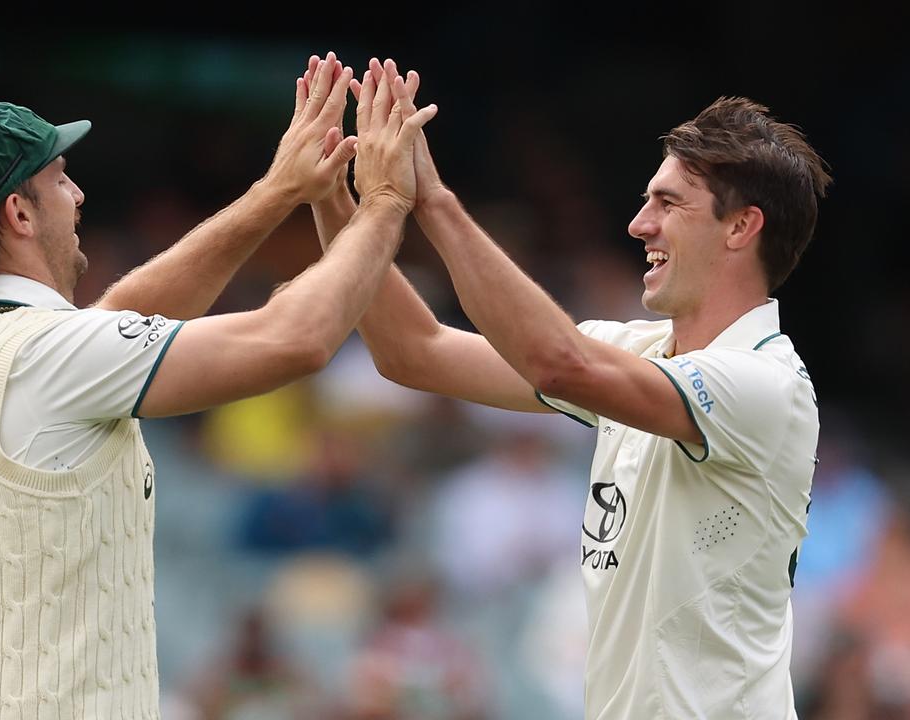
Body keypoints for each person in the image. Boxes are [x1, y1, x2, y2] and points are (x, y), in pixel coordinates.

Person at [0, 52, 436, 717]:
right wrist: (383, 204)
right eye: (60, 179)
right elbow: (295, 339)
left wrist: (277, 193)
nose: (78, 195)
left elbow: (118, 319)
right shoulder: (47, 356)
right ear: (20, 215)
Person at [312, 60, 831, 718]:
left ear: (740, 227)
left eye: (668, 203)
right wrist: (339, 198)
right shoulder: (638, 352)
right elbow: (412, 352)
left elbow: (556, 363)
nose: (639, 224)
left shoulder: (764, 384)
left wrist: (433, 200)